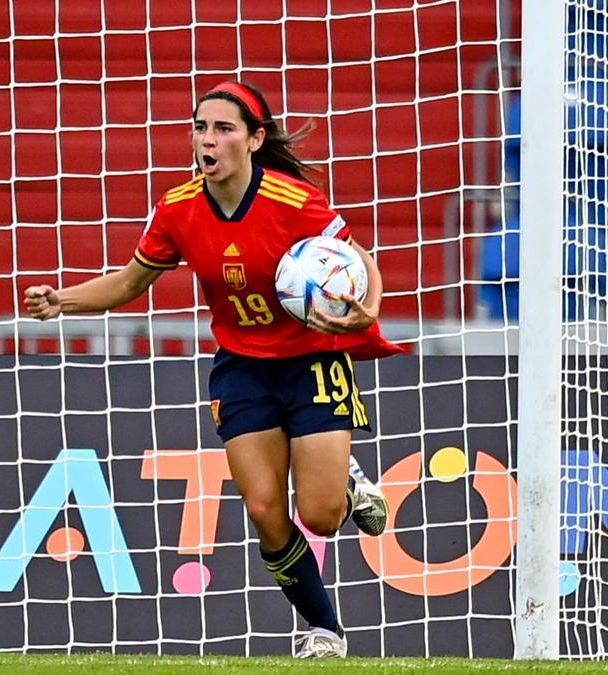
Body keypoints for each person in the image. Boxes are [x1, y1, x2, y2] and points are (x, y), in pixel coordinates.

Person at [24, 80, 405, 659]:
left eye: (224, 128)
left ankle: (345, 480)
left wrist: (369, 309)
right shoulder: (178, 209)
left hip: (311, 360)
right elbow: (129, 282)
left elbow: (360, 263)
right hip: (243, 369)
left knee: (320, 517)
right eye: (200, 126)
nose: (208, 139)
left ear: (254, 140)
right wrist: (62, 302)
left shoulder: (294, 201)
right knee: (265, 512)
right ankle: (323, 630)